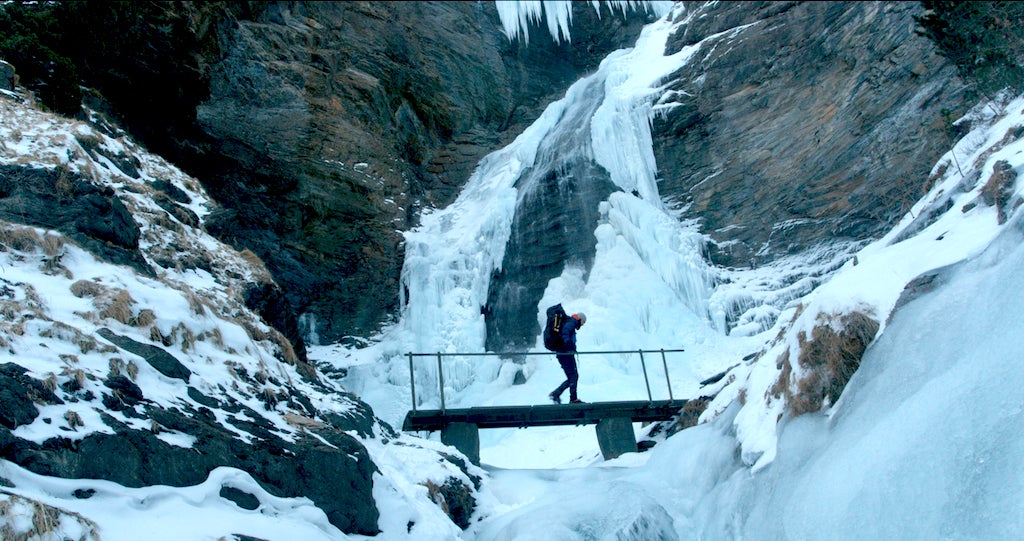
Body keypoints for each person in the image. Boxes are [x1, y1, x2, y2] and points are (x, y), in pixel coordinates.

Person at [549, 312, 586, 404]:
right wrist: (569, 346)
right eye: (583, 322)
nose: (583, 325)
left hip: (564, 354)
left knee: (572, 377)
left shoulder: (570, 322)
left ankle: (556, 394)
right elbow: (565, 333)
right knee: (573, 376)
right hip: (565, 354)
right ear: (580, 319)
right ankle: (572, 399)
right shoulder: (571, 322)